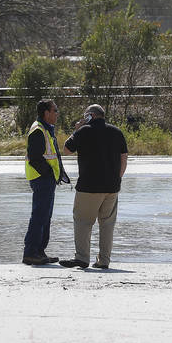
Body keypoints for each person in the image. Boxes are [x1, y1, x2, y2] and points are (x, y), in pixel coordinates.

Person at [60, 104, 128, 269]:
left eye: (86, 116)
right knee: (107, 224)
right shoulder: (117, 132)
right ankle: (104, 261)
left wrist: (77, 129)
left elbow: (66, 150)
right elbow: (124, 158)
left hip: (88, 187)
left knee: (83, 221)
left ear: (90, 115)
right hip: (111, 187)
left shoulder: (83, 131)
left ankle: (82, 258)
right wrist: (116, 179)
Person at [22, 99, 70, 266]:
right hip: (41, 179)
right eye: (55, 110)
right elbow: (35, 158)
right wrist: (48, 174)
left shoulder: (46, 129)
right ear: (46, 113)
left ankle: (39, 252)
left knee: (45, 217)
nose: (57, 113)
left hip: (47, 180)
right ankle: (30, 253)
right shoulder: (38, 130)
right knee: (39, 216)